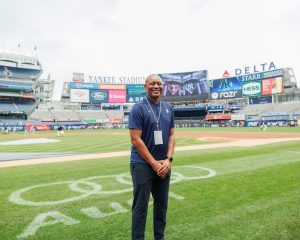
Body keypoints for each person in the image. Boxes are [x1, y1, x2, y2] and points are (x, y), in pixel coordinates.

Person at [128, 74, 175, 240]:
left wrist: (168, 160)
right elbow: (135, 139)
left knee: (162, 205)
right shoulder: (138, 108)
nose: (156, 86)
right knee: (140, 207)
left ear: (163, 87)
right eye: (152, 83)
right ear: (145, 86)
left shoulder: (168, 108)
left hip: (163, 164)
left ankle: (159, 237)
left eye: (159, 84)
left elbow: (171, 136)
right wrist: (154, 164)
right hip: (142, 164)